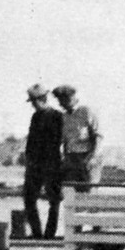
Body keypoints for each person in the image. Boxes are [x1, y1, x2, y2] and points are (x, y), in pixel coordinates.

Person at [22, 84, 64, 238]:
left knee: (54, 200)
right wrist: (28, 160)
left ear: (43, 99)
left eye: (34, 101)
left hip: (51, 164)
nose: (33, 105)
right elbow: (30, 141)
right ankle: (37, 233)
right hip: (35, 164)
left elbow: (60, 141)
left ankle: (49, 234)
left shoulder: (57, 116)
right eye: (32, 102)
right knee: (28, 198)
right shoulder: (35, 117)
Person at [53, 85, 102, 190]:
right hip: (71, 159)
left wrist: (92, 157)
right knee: (70, 194)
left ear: (71, 98)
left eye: (63, 100)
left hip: (87, 157)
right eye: (59, 100)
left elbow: (98, 136)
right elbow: (64, 141)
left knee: (88, 193)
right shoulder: (64, 117)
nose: (61, 104)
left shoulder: (86, 112)